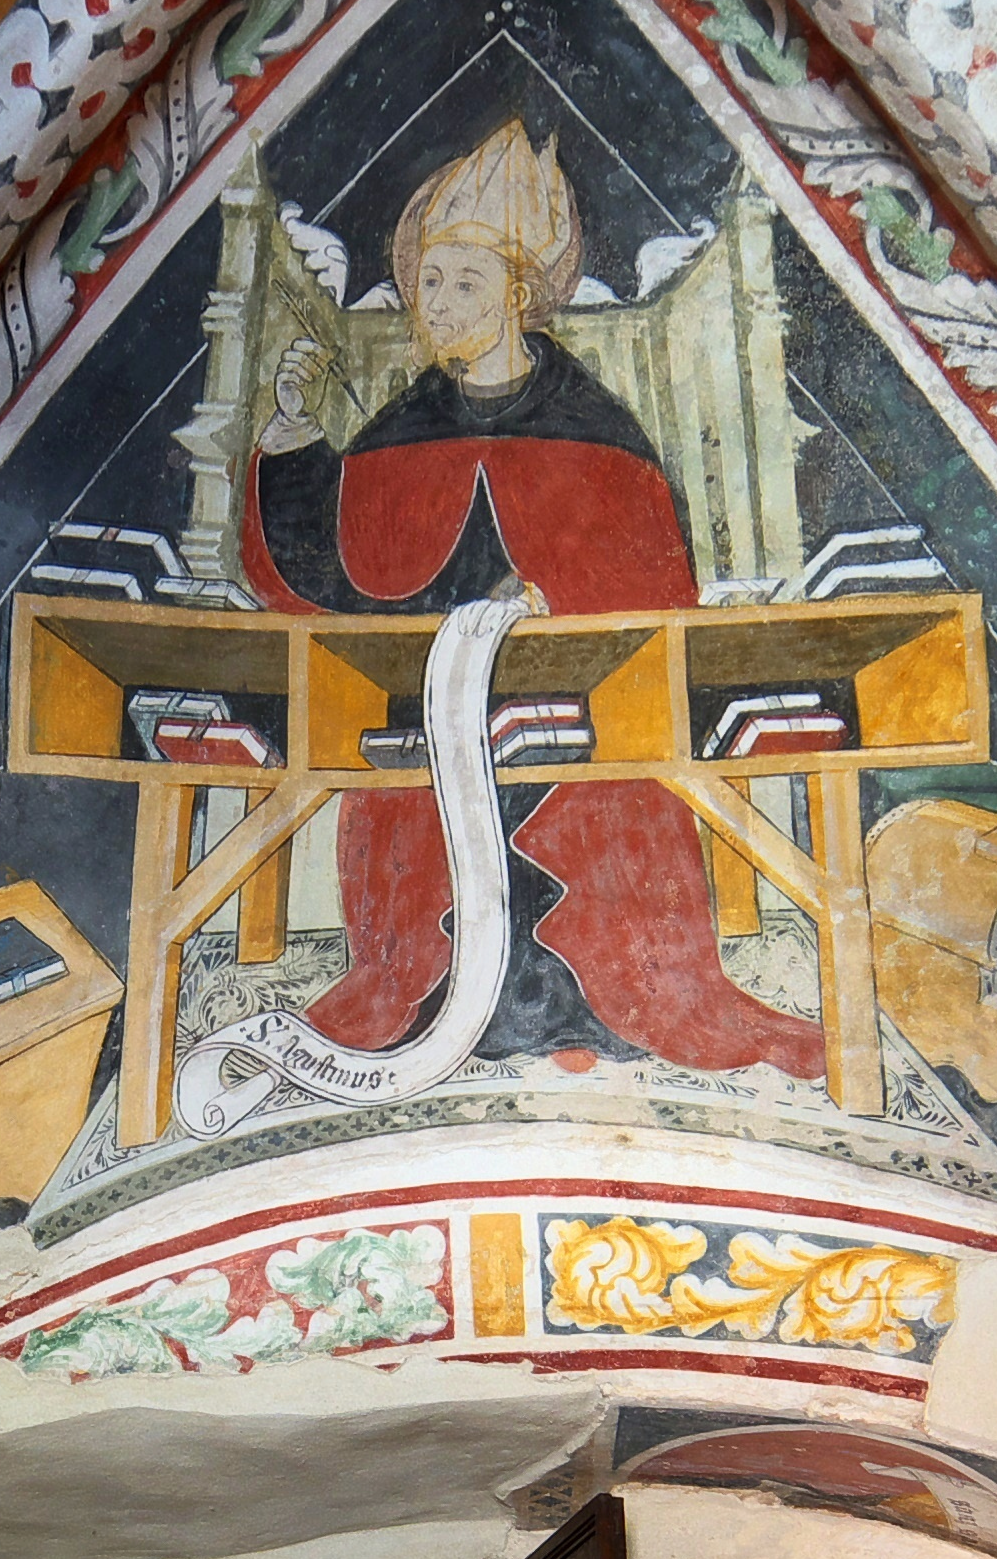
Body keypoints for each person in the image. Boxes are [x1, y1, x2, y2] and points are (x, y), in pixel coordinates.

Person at [240, 122, 824, 1081]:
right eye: (428, 282)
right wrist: (297, 442)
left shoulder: (596, 430)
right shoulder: (399, 429)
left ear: (519, 295)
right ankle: (427, 991)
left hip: (580, 724)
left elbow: (652, 598)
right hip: (434, 716)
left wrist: (558, 607)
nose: (439, 303)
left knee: (603, 807)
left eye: (464, 282)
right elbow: (334, 583)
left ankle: (605, 996)